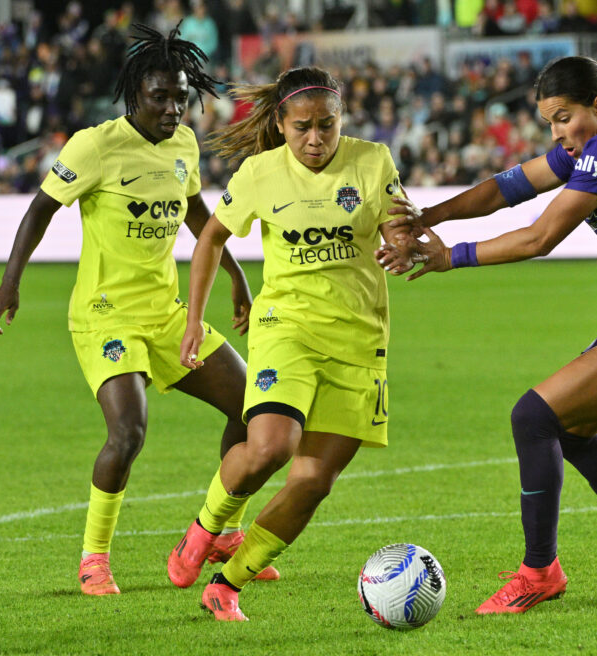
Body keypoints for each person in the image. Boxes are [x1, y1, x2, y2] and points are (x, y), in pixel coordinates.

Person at [378, 55, 597, 614]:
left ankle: (539, 572)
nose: (559, 134)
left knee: (534, 417)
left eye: (564, 118)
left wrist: (450, 258)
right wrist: (429, 217)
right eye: (550, 123)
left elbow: (540, 238)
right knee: (570, 427)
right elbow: (508, 187)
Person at [0, 23, 274, 596]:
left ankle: (225, 532)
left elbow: (196, 215)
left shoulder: (183, 145)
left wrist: (237, 276)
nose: (172, 109)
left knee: (254, 408)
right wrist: (9, 282)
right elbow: (41, 209)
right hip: (105, 315)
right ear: (135, 91)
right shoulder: (95, 146)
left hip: (166, 313)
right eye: (161, 97)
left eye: (181, 99)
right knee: (128, 432)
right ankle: (94, 559)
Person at [168, 66, 414, 621]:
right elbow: (210, 239)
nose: (315, 139)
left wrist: (404, 243)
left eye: (327, 126)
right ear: (280, 123)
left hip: (359, 340)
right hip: (287, 327)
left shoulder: (373, 160)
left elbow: (399, 224)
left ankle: (227, 583)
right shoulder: (259, 173)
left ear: (341, 120)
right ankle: (206, 525)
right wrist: (194, 321)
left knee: (312, 480)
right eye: (302, 127)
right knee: (271, 448)